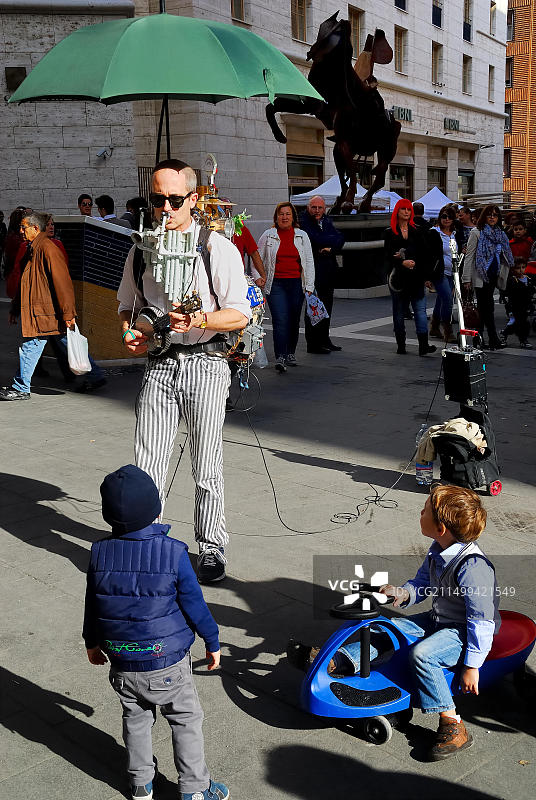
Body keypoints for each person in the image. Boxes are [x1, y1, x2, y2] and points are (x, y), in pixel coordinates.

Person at [288, 483, 500, 762]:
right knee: (387, 628)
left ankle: (453, 724)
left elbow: (481, 620)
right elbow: (422, 585)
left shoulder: (473, 567)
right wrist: (399, 593)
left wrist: (473, 665)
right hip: (440, 620)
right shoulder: (439, 549)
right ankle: (336, 662)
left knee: (423, 655)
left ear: (441, 528)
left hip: (464, 631)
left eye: (425, 510)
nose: (420, 512)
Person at [117, 159, 249, 583]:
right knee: (147, 461)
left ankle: (211, 546)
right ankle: (143, 539)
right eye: (158, 199)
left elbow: (239, 315)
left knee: (205, 462)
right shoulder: (141, 248)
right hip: (159, 363)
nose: (166, 208)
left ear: (193, 198)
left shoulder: (216, 248)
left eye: (175, 199)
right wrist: (132, 331)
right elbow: (128, 306)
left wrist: (199, 321)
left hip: (206, 363)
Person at [83, 464, 229, 800]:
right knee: (185, 719)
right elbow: (195, 605)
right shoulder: (173, 552)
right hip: (168, 663)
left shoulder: (99, 552)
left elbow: (93, 604)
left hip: (121, 661)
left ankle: (141, 784)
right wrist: (212, 640)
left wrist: (91, 642)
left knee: (135, 720)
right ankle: (194, 789)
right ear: (154, 507)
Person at [0, 211, 76, 400]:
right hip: (41, 311)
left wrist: (68, 314)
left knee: (36, 346)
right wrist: (15, 308)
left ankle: (20, 387)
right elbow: (24, 282)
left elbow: (63, 283)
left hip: (44, 311)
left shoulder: (48, 249)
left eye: (23, 227)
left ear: (35, 228)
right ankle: (94, 374)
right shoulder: (32, 248)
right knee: (43, 345)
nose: (20, 230)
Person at [257, 202, 315, 372]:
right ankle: (280, 355)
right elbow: (257, 258)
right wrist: (259, 277)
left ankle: (290, 353)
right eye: (281, 214)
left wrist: (309, 285)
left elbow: (309, 262)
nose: (284, 217)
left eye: (288, 214)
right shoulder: (268, 235)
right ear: (276, 217)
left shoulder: (302, 236)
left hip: (297, 283)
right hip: (276, 283)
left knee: (293, 320)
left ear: (293, 217)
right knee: (281, 320)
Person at [384, 199, 436, 356]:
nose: (406, 212)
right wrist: (401, 262)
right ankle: (401, 345)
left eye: (408, 209)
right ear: (397, 211)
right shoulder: (389, 232)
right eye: (403, 209)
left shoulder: (418, 230)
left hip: (416, 277)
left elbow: (426, 253)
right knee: (399, 312)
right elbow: (386, 256)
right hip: (398, 279)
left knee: (420, 311)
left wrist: (424, 273)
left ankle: (423, 345)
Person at [299, 195, 345, 353]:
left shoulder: (326, 220)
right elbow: (315, 239)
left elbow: (340, 238)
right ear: (308, 208)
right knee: (313, 307)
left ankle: (325, 339)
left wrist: (330, 247)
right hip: (313, 272)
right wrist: (329, 241)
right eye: (314, 207)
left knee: (327, 306)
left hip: (328, 271)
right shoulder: (303, 221)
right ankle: (313, 344)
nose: (317, 211)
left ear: (324, 209)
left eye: (320, 208)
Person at [462, 205, 513, 350]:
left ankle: (482, 339)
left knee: (485, 308)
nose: (492, 217)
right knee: (487, 308)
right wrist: (466, 279)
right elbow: (469, 256)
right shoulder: (476, 232)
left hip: (493, 275)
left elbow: (504, 254)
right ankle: (490, 339)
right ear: (484, 216)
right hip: (480, 275)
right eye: (489, 215)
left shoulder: (500, 233)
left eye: (495, 215)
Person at [428, 205, 464, 343]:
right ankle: (448, 331)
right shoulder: (434, 233)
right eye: (444, 216)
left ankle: (435, 326)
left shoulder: (455, 233)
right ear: (440, 218)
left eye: (449, 216)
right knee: (448, 299)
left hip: (452, 271)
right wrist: (428, 277)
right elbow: (428, 255)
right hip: (439, 272)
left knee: (441, 300)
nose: (447, 219)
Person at [500, 257, 534, 348]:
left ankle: (522, 339)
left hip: (525, 306)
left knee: (523, 324)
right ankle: (506, 334)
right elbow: (508, 295)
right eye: (518, 268)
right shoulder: (512, 280)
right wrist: (509, 308)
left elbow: (530, 293)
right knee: (514, 323)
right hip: (515, 306)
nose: (521, 270)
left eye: (523, 267)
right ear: (514, 269)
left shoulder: (528, 279)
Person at [232, 222, 267, 287]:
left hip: (237, 278)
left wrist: (262, 276)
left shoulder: (240, 228)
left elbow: (254, 253)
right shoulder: (210, 232)